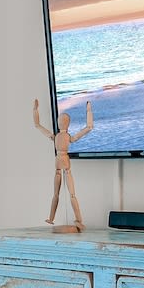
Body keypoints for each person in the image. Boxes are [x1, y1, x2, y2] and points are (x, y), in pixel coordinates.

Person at [32, 99, 94, 231]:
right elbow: (88, 127)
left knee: (56, 193)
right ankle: (76, 219)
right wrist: (88, 110)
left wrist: (35, 110)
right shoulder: (67, 137)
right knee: (71, 194)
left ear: (59, 123)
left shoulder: (55, 137)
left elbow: (38, 125)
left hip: (59, 162)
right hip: (65, 162)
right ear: (68, 124)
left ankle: (52, 218)